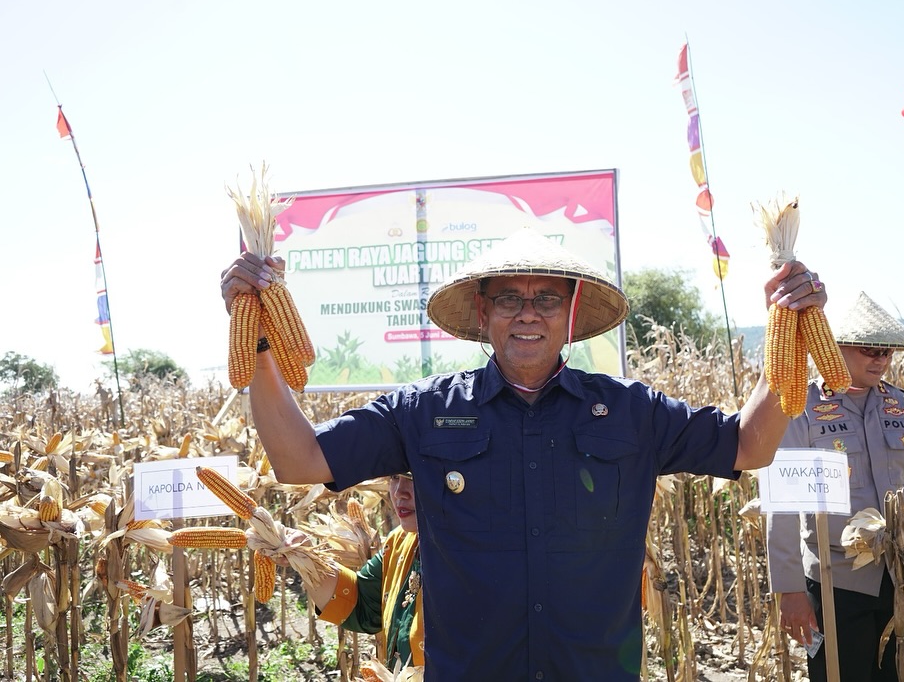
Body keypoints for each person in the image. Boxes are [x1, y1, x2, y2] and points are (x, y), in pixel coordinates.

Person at [221, 227, 829, 680]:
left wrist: (789, 329)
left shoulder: (631, 411)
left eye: (545, 298)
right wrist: (260, 334)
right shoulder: (423, 411)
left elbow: (749, 445)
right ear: (483, 313)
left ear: (570, 314)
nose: (528, 313)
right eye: (510, 298)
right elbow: (300, 460)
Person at [765, 291, 904, 682]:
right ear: (835, 348)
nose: (881, 359)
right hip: (837, 581)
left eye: (887, 350)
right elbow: (782, 504)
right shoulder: (799, 409)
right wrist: (789, 591)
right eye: (870, 349)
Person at [285, 473, 423, 672]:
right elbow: (361, 604)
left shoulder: (478, 559)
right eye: (394, 477)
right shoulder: (400, 541)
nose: (399, 492)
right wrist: (305, 556)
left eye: (414, 477)